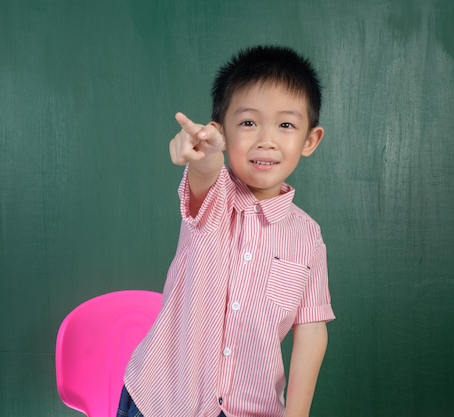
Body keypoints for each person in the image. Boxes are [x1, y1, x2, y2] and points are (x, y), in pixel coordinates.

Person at [118, 45, 335, 417]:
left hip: (250, 409)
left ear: (310, 140)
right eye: (248, 123)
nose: (266, 140)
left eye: (285, 125)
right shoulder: (214, 195)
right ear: (222, 131)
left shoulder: (308, 236)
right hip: (163, 402)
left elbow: (311, 332)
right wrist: (205, 154)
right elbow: (206, 170)